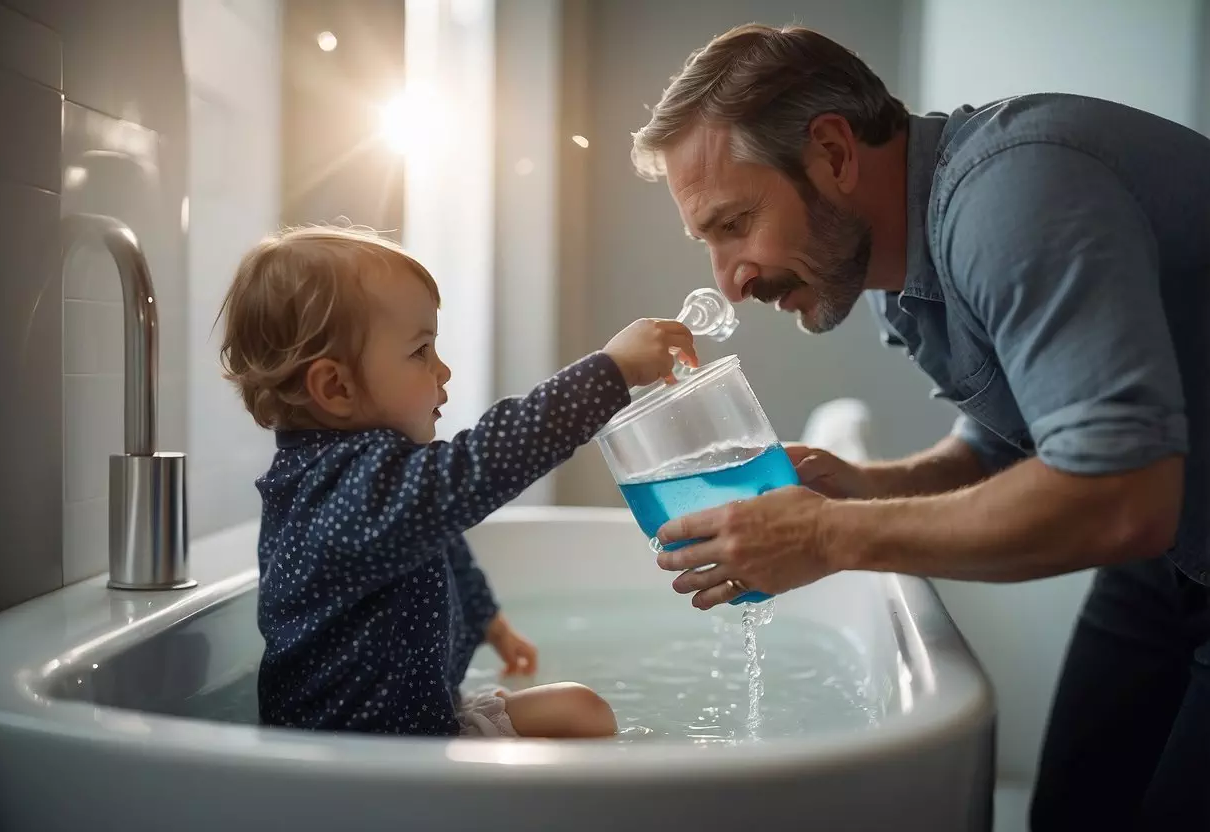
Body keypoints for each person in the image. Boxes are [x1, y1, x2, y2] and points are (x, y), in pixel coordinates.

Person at [630, 22, 1210, 830]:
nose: (730, 282)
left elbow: (1119, 492)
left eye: (733, 225)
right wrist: (872, 485)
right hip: (1173, 556)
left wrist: (831, 535)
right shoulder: (892, 279)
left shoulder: (1013, 198)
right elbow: (1021, 434)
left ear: (833, 154)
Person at [217, 225, 697, 739]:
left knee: (580, 710)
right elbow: (484, 464)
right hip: (370, 763)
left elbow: (437, 534)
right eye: (420, 350)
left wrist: (486, 619)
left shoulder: (364, 483)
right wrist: (611, 371)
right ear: (336, 386)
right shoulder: (340, 492)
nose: (442, 371)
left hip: (407, 728)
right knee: (583, 714)